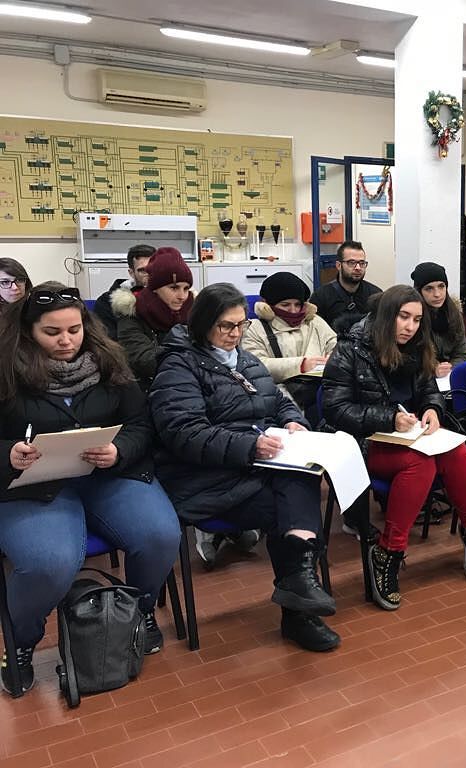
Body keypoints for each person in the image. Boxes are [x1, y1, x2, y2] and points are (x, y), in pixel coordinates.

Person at [0, 283, 180, 695]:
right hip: (33, 485)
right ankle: (20, 641)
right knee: (49, 562)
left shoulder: (107, 360)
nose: (66, 340)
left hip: (106, 474)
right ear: (28, 331)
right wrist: (8, 453)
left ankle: (138, 612)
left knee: (159, 535)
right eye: (52, 332)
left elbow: (141, 424)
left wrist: (119, 450)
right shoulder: (6, 369)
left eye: (74, 329)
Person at [148, 283, 339, 653]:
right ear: (203, 324)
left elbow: (277, 401)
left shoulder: (246, 361)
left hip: (253, 468)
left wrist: (293, 421)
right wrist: (250, 446)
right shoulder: (178, 366)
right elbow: (184, 433)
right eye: (226, 326)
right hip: (204, 478)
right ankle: (299, 606)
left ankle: (299, 588)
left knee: (301, 477)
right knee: (288, 507)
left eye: (241, 324)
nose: (235, 334)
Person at [320, 285, 466, 611]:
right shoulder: (350, 349)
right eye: (403, 317)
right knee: (420, 463)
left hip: (409, 435)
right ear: (387, 316)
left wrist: (433, 410)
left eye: (417, 319)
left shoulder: (418, 346)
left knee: (456, 451)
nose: (410, 326)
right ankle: (389, 551)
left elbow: (429, 391)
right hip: (362, 443)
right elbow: (334, 409)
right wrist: (387, 419)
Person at [241, 271, 336, 421]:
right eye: (285, 305)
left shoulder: (315, 322)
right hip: (278, 394)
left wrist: (334, 358)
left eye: (298, 304)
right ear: (268, 306)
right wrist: (301, 364)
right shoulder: (254, 328)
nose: (293, 310)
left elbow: (336, 346)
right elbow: (254, 366)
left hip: (322, 389)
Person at [111, 246, 194, 391]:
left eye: (186, 288)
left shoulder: (194, 310)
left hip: (194, 384)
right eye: (174, 288)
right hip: (150, 389)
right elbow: (145, 361)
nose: (182, 296)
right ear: (155, 287)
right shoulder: (132, 313)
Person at [309, 240, 381, 336]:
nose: (358, 267)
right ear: (338, 265)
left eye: (362, 263)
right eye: (351, 262)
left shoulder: (376, 295)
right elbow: (315, 335)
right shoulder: (321, 297)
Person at [411, 262, 466, 378]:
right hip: (422, 378)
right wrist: (432, 369)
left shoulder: (454, 314)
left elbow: (460, 353)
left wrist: (450, 368)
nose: (437, 294)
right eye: (429, 288)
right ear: (419, 291)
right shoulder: (413, 319)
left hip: (449, 376)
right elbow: (409, 358)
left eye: (441, 286)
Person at [93, 244, 154, 339]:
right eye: (143, 271)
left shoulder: (168, 297)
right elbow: (108, 341)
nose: (150, 274)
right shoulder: (106, 303)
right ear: (131, 273)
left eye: (153, 269)